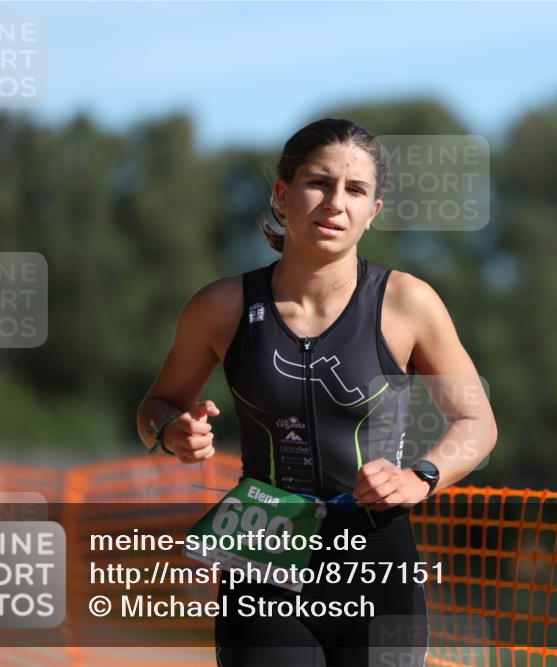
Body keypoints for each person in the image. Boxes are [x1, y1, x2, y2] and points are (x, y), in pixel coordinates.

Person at [136, 118, 497, 666]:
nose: (335, 203)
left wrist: (420, 476)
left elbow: (478, 424)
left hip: (377, 565)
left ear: (373, 211)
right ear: (282, 196)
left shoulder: (408, 303)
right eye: (318, 183)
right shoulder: (220, 307)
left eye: (355, 190)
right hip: (263, 555)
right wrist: (170, 431)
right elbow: (154, 407)